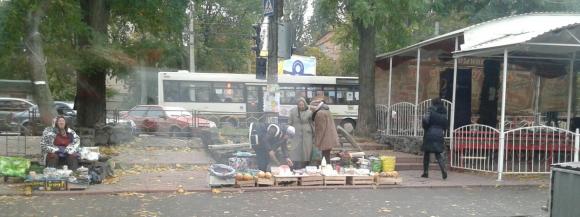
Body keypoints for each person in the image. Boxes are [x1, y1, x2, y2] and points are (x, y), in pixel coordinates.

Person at [421, 98, 448, 180]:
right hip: (439, 133)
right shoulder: (444, 113)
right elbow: (446, 124)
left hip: (430, 132)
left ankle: (425, 172)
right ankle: (443, 169)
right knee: (438, 153)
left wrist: (425, 127)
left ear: (433, 103)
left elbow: (425, 120)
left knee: (426, 153)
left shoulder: (430, 110)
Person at [310, 97, 339, 164]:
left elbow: (320, 129)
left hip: (325, 139)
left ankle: (326, 171)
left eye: (311, 109)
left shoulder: (320, 113)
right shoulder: (326, 110)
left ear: (315, 107)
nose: (311, 111)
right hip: (329, 137)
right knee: (327, 156)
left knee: (324, 159)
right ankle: (328, 170)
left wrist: (317, 142)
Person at [288, 97, 314, 169]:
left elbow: (312, 123)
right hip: (296, 133)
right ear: (297, 105)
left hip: (307, 134)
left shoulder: (309, 112)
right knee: (295, 149)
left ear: (305, 104)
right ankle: (294, 165)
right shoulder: (293, 111)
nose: (301, 106)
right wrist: (289, 132)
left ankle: (306, 165)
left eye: (302, 105)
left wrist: (312, 132)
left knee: (307, 150)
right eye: (299, 105)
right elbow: (289, 122)